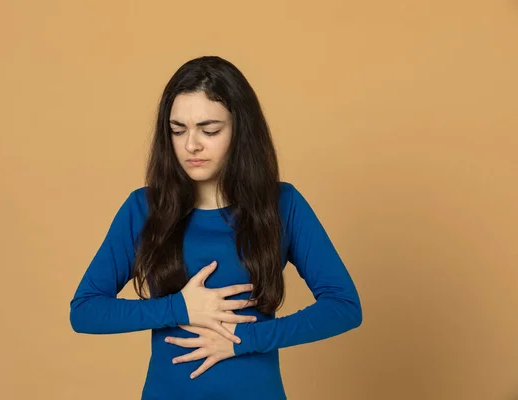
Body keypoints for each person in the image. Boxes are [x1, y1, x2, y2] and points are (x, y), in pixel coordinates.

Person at [69, 55, 362, 400]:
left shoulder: (282, 205)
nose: (192, 145)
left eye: (210, 130)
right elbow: (85, 311)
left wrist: (246, 342)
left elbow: (344, 306)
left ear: (241, 130)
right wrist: (179, 308)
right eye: (178, 130)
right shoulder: (144, 208)